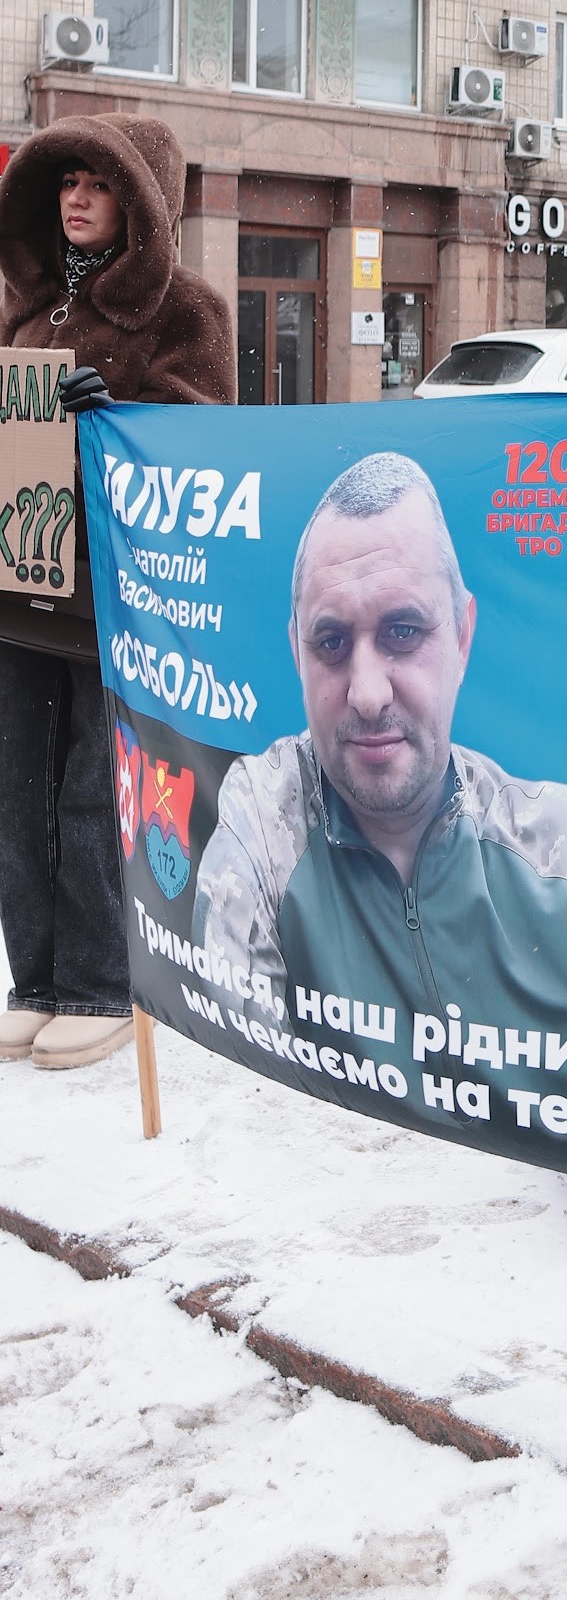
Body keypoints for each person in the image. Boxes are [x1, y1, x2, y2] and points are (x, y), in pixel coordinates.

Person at [194, 453, 567, 1071]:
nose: (368, 693)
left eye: (403, 632)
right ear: (296, 654)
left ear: (463, 637)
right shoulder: (263, 826)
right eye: (330, 644)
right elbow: (239, 1096)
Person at [0, 114, 233, 1073]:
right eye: (65, 183)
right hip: (21, 586)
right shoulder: (23, 313)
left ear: (143, 199)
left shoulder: (191, 309)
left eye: (99, 182)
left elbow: (209, 441)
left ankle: (101, 980)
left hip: (120, 597)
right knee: (19, 790)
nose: (78, 198)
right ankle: (39, 977)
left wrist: (127, 413)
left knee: (99, 789)